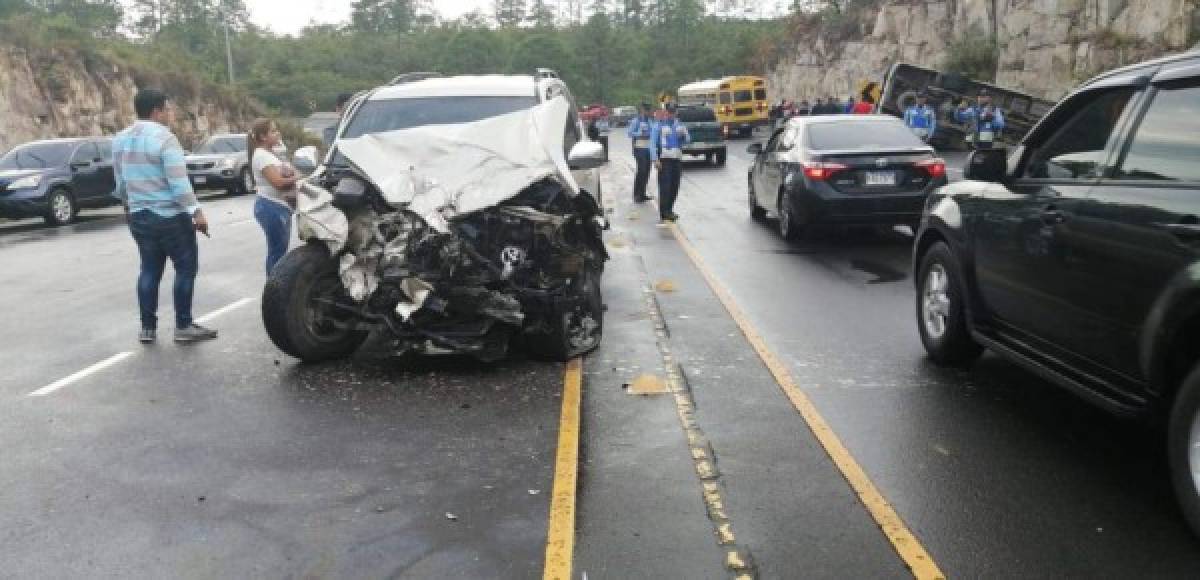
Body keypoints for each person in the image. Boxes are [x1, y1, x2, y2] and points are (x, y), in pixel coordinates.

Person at [112, 89, 217, 344]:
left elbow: (120, 182)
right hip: (170, 216)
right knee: (185, 268)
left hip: (139, 215)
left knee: (149, 270)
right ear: (157, 111)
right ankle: (183, 325)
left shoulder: (120, 139)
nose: (171, 114)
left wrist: (130, 207)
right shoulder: (165, 139)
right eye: (168, 109)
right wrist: (197, 213)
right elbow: (178, 183)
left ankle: (147, 328)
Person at [248, 118, 300, 274]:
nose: (278, 133)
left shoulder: (270, 153)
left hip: (281, 207)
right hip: (272, 207)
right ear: (263, 136)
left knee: (280, 252)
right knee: (277, 254)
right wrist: (299, 177)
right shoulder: (261, 155)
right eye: (273, 131)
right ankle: (274, 291)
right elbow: (277, 182)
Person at [649, 102, 689, 224]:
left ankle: (670, 210)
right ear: (666, 112)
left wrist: (683, 135)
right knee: (665, 188)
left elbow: (688, 140)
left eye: (673, 111)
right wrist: (655, 159)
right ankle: (664, 213)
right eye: (669, 111)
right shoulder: (658, 126)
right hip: (664, 160)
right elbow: (652, 144)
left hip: (677, 159)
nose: (671, 114)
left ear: (676, 112)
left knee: (674, 187)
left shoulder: (680, 125)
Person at [628, 103, 656, 203]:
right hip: (639, 148)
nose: (648, 112)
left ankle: (642, 193)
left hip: (648, 148)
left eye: (649, 111)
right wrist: (640, 134)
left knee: (647, 171)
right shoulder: (636, 121)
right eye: (646, 110)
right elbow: (630, 133)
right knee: (641, 171)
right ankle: (637, 194)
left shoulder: (650, 121)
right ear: (642, 110)